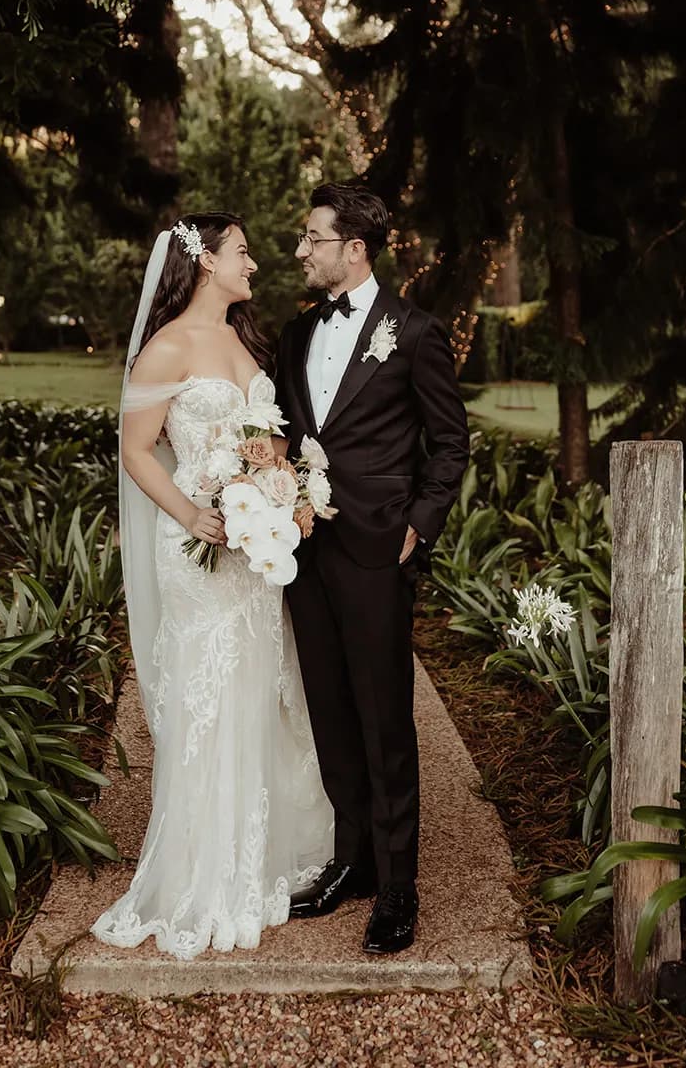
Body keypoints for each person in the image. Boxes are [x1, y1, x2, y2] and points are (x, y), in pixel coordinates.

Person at [91, 214, 331, 961]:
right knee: (207, 695)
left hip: (254, 549)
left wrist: (283, 484)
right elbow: (136, 451)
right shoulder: (166, 347)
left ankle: (255, 859)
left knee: (258, 689)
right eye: (242, 253)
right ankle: (198, 875)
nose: (254, 264)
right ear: (203, 265)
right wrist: (195, 512)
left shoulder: (243, 340)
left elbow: (270, 436)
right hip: (197, 544)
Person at [276, 183, 470, 955]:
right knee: (328, 705)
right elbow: (287, 433)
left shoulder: (415, 333)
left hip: (376, 548)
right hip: (303, 548)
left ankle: (397, 887)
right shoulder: (297, 333)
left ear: (353, 248)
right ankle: (350, 860)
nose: (301, 249)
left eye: (311, 237)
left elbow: (449, 443)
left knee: (384, 716)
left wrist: (418, 526)